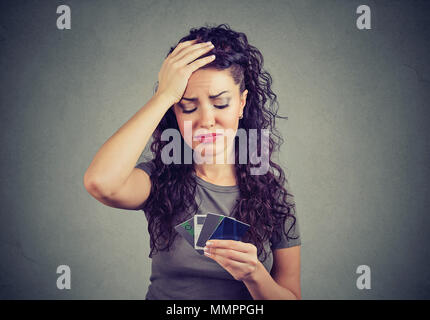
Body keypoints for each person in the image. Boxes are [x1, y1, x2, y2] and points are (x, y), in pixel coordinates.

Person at [84, 23, 301, 300]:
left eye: (221, 103)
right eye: (188, 107)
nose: (206, 120)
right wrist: (164, 95)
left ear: (242, 103)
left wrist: (255, 275)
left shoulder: (272, 193)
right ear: (175, 111)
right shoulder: (158, 180)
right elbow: (100, 182)